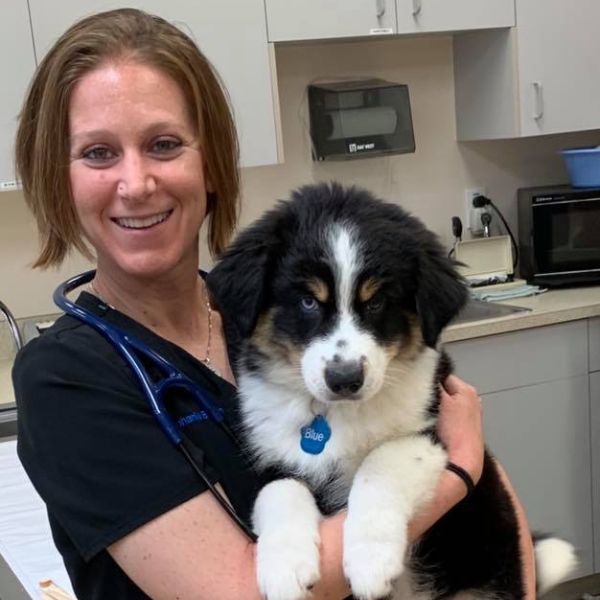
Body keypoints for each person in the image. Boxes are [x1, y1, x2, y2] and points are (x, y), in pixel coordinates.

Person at [12, 8, 535, 599]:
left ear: (208, 160)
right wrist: (457, 471)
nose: (136, 183)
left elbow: (486, 496)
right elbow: (238, 591)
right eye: (98, 153)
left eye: (163, 144)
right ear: (57, 177)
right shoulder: (65, 379)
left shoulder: (260, 311)